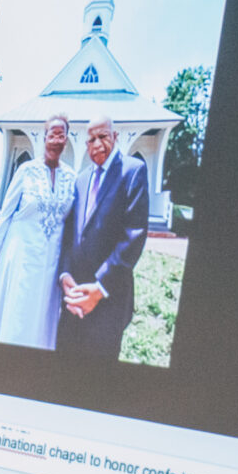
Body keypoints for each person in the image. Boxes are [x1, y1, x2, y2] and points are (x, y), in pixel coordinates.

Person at [0, 114, 77, 350]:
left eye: (61, 135)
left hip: (49, 272)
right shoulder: (26, 171)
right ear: (44, 138)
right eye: (52, 134)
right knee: (15, 325)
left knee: (40, 332)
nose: (56, 140)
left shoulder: (72, 178)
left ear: (66, 140)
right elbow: (4, 220)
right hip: (19, 265)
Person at [57, 116, 150, 359]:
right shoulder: (81, 180)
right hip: (74, 299)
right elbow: (70, 233)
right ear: (86, 145)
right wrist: (65, 274)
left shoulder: (132, 171)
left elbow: (134, 235)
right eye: (91, 139)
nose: (97, 144)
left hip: (108, 300)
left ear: (115, 137)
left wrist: (99, 288)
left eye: (103, 136)